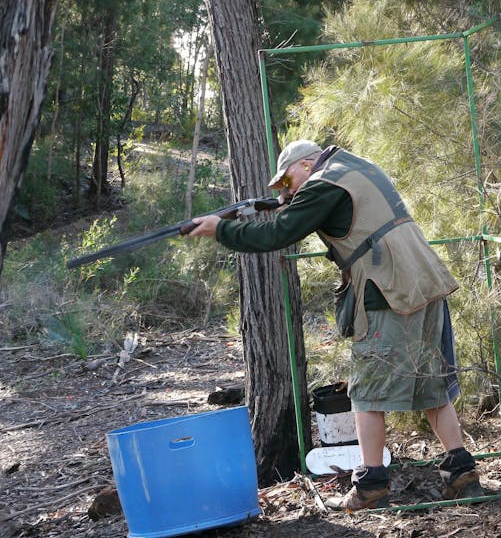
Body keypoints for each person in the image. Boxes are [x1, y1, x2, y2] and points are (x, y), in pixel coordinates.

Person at [188, 140, 483, 510]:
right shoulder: (352, 168)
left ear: (308, 164)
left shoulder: (323, 183)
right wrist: (288, 204)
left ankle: (371, 485)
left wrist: (221, 230)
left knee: (365, 392)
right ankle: (461, 471)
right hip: (423, 281)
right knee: (430, 382)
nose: (287, 189)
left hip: (386, 290)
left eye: (288, 180)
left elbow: (276, 235)